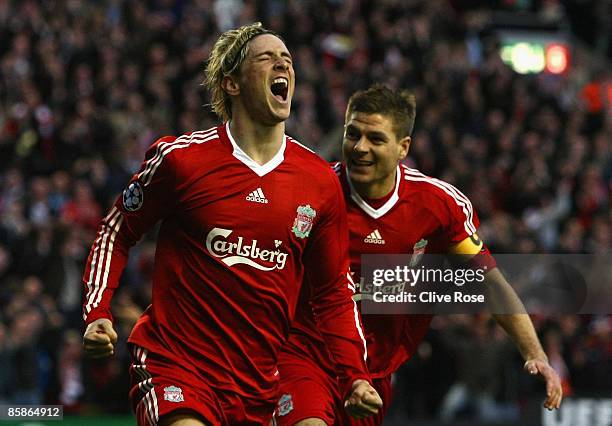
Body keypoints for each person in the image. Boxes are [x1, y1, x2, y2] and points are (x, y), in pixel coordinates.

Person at [82, 23, 382, 426]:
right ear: (232, 84)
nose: (284, 64)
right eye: (267, 58)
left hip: (257, 387)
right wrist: (98, 310)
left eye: (288, 60)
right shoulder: (182, 160)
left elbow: (333, 293)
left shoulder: (319, 181)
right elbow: (117, 230)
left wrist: (355, 377)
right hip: (176, 366)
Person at [275, 84, 563, 425]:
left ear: (403, 147)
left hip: (376, 373)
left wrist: (535, 353)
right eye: (353, 134)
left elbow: (490, 283)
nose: (360, 148)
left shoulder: (438, 206)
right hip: (303, 356)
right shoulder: (312, 193)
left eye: (376, 139)